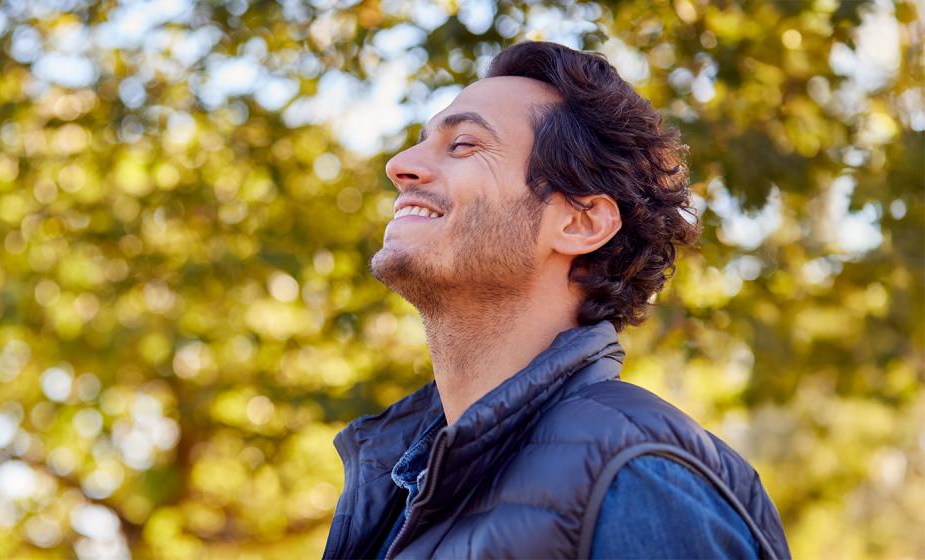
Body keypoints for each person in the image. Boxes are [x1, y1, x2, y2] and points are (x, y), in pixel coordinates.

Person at [322, 41, 791, 559]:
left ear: (580, 222)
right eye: (421, 141)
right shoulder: (396, 487)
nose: (399, 165)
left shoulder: (637, 477)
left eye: (464, 145)